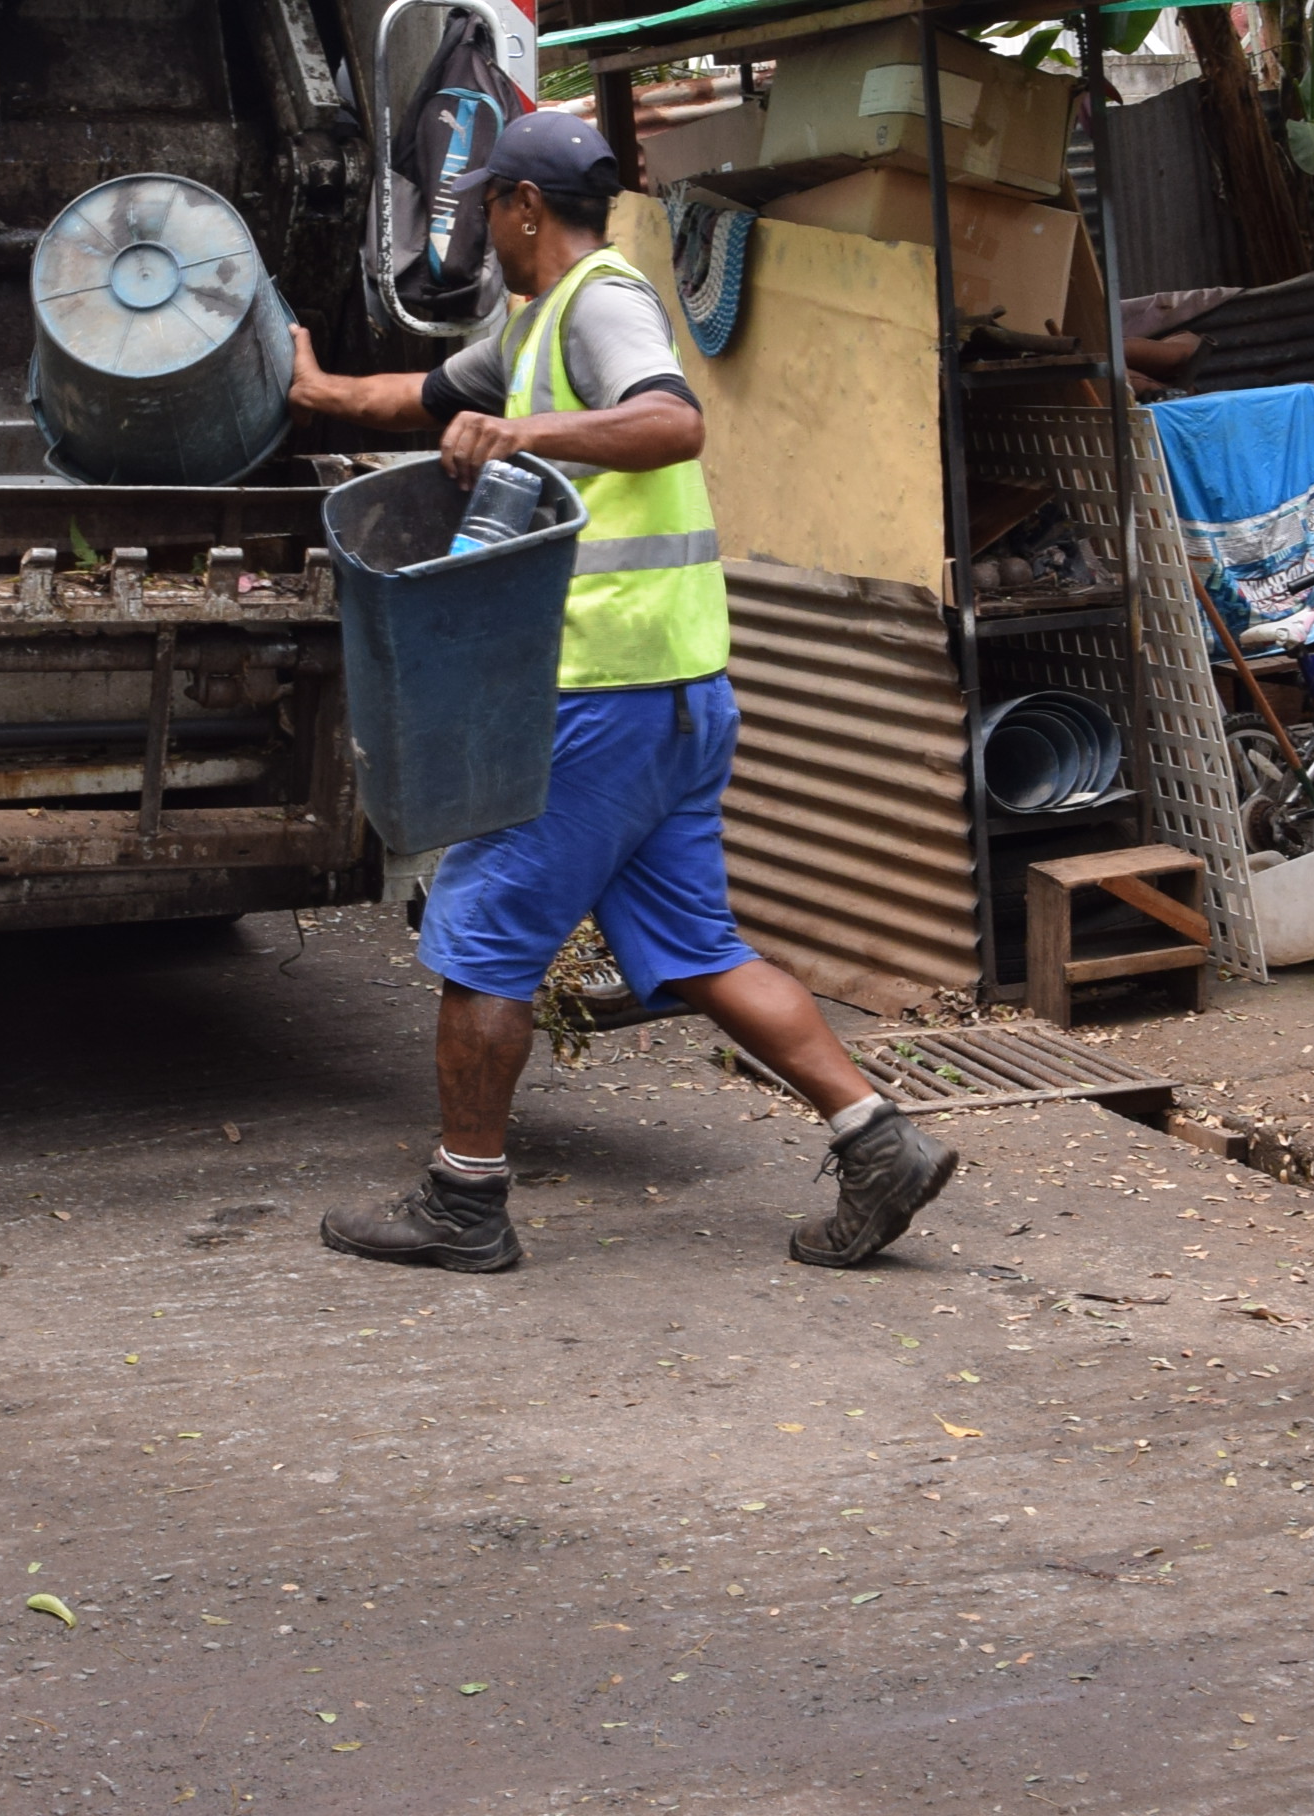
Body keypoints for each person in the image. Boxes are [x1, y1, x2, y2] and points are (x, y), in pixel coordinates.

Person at [286, 107, 962, 1277]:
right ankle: (877, 1141)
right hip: (676, 690)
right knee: (696, 947)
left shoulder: (600, 302)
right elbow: (426, 399)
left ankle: (462, 1202)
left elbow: (670, 421)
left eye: (486, 209)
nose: (479, 230)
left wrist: (523, 435)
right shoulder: (533, 325)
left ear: (522, 208)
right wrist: (317, 390)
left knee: (480, 938)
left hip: (600, 696)